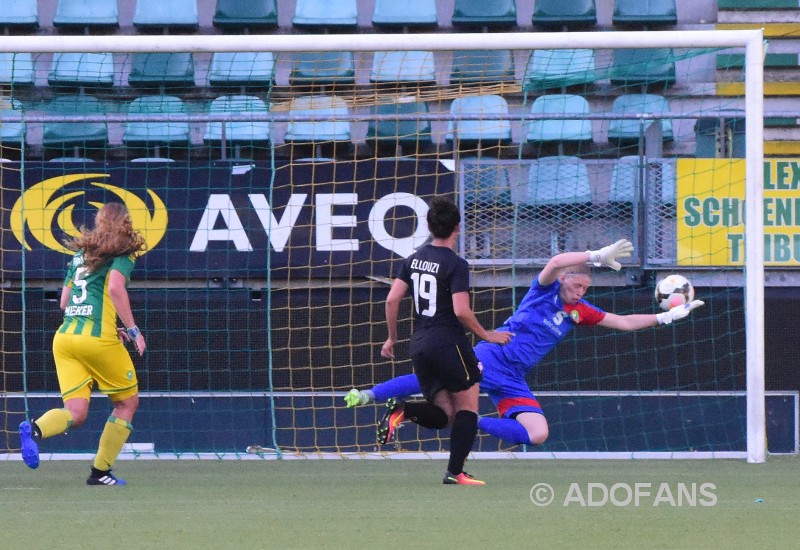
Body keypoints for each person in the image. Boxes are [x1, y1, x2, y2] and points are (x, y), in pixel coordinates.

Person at [349, 239, 704, 449]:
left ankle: (466, 421)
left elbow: (623, 322)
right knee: (439, 377)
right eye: (577, 286)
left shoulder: (578, 311)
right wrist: (594, 255)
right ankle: (370, 394)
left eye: (585, 289)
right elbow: (554, 261)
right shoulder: (544, 291)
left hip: (514, 377)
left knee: (538, 434)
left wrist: (665, 318)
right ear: (565, 280)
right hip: (494, 353)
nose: (580, 292)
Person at [378, 196, 512, 486]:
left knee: (446, 414)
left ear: (428, 226)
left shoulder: (412, 260)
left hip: (420, 345)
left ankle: (403, 410)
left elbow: (391, 300)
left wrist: (391, 338)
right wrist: (487, 336)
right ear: (458, 228)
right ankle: (455, 472)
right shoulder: (456, 264)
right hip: (448, 342)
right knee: (467, 410)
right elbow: (461, 311)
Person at [19, 202, 147, 486]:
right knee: (127, 402)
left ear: (98, 222)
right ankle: (100, 472)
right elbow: (114, 288)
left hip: (65, 339)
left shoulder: (80, 254)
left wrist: (107, 322)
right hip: (96, 341)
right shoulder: (122, 252)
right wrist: (133, 330)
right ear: (125, 222)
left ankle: (35, 429)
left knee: (76, 413)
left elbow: (64, 302)